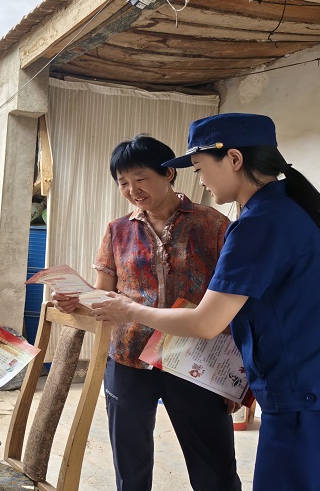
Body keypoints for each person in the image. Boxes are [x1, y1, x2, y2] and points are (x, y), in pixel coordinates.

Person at [90, 113, 320, 490]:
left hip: (306, 405)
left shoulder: (252, 225)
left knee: (214, 468)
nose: (201, 180)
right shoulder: (296, 208)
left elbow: (207, 322)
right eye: (123, 183)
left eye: (199, 167)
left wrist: (129, 310)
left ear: (233, 159)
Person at [53, 135, 241, 491]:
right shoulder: (118, 231)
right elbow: (104, 294)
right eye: (123, 182)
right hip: (128, 357)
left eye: (140, 178)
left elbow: (232, 301)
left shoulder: (212, 224)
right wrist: (75, 301)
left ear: (169, 173)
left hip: (194, 358)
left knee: (213, 464)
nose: (132, 189)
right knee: (130, 462)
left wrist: (233, 378)